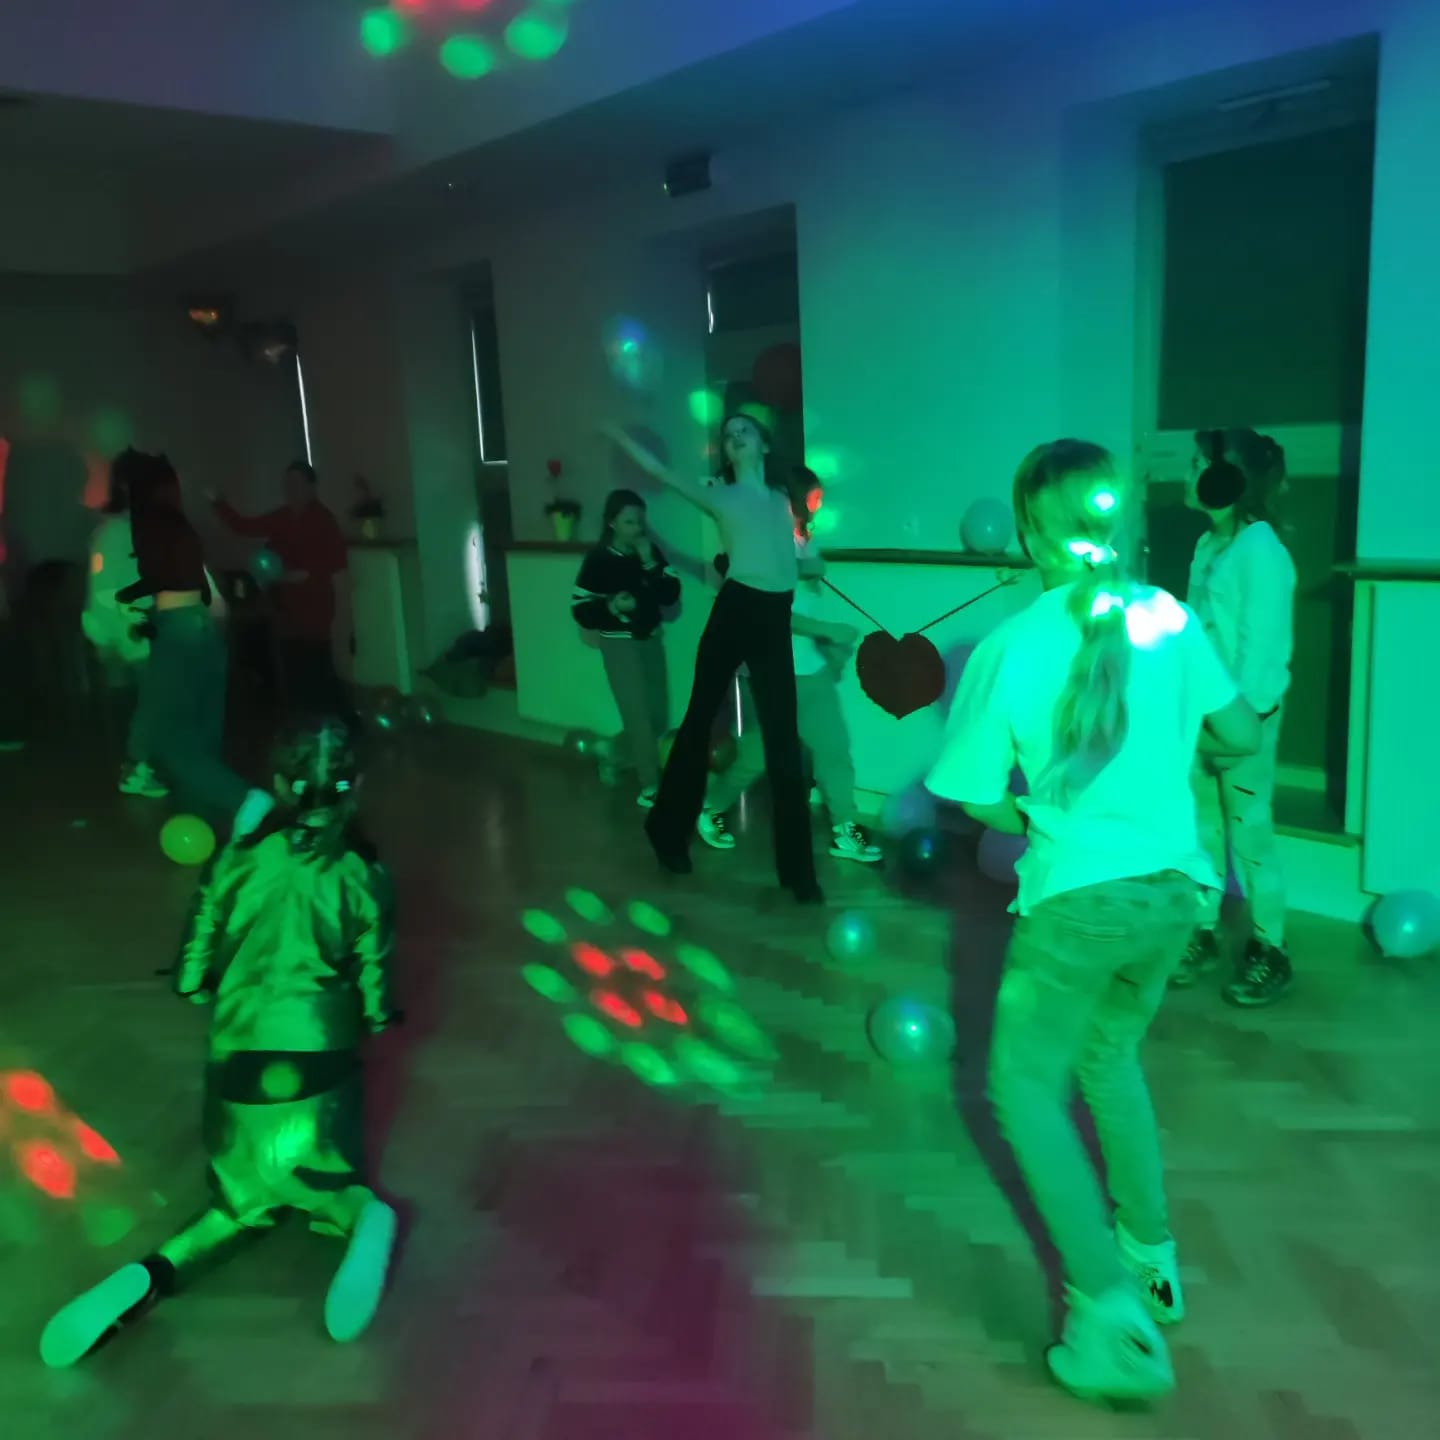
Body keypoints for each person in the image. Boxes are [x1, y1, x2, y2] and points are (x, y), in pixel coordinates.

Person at [926, 440, 1259, 1403]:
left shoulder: (1010, 645)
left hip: (1080, 901)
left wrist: (1035, 813)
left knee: (1022, 1087)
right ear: (1114, 523)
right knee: (1110, 1058)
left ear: (1031, 532)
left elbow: (971, 795)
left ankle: (1107, 1315)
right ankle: (1152, 1257)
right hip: (1176, 896)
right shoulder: (1166, 614)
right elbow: (1241, 736)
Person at [39, 718, 401, 1367]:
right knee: (328, 1179)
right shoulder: (362, 870)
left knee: (232, 1210)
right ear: (357, 788)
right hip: (318, 1059)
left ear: (282, 784)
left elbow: (197, 949)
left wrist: (196, 986)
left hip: (238, 1064)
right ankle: (362, 1217)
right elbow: (374, 977)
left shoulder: (239, 855)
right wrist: (375, 1015)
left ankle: (151, 1272)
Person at [600, 415, 821, 903]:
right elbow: (660, 472)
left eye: (745, 431)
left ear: (764, 443)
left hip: (774, 616)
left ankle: (799, 873)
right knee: (700, 720)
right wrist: (620, 435)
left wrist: (809, 558)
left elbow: (797, 558)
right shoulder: (721, 496)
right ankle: (666, 833)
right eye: (729, 435)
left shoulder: (783, 501)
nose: (735, 437)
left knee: (783, 739)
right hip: (736, 610)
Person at [1175, 428, 1296, 1005]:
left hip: (1245, 719)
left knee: (1250, 834)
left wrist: (1239, 725)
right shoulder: (1207, 546)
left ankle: (1271, 948)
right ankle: (1201, 929)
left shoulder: (1262, 551)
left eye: (1197, 463)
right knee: (1201, 828)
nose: (1186, 473)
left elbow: (1261, 652)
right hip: (1201, 713)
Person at [700, 488, 880, 865]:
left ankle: (844, 829)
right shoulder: (754, 552)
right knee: (757, 757)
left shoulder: (802, 545)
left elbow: (811, 590)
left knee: (834, 752)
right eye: (809, 500)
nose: (814, 508)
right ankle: (710, 808)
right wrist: (828, 630)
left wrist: (829, 651)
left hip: (811, 675)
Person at [119, 452, 271, 836]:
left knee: (170, 734)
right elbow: (197, 578)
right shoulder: (180, 524)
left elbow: (159, 578)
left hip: (178, 626)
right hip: (203, 624)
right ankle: (209, 814)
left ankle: (243, 798)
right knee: (205, 726)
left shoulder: (149, 523)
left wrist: (128, 600)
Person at [82, 451, 228, 799]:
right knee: (160, 700)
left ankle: (184, 766)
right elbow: (105, 595)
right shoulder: (115, 534)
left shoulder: (160, 527)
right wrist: (120, 634)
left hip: (176, 629)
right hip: (146, 635)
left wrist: (212, 607)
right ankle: (142, 766)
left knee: (181, 700)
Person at [208, 461, 349, 717]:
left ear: (311, 487)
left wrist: (301, 574)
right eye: (286, 483)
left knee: (318, 667)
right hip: (287, 608)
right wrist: (218, 501)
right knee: (293, 666)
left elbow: (336, 560)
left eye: (296, 483)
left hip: (315, 608)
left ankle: (335, 723)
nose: (289, 488)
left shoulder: (324, 520)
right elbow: (243, 526)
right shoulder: (281, 517)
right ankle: (303, 724)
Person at [571, 489, 681, 806]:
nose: (637, 528)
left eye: (640, 521)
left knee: (657, 717)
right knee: (638, 718)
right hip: (619, 645)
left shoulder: (650, 552)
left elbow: (670, 595)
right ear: (612, 523)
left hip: (651, 640)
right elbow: (580, 607)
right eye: (629, 522)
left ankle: (613, 752)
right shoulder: (598, 560)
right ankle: (650, 788)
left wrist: (649, 561)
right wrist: (611, 605)